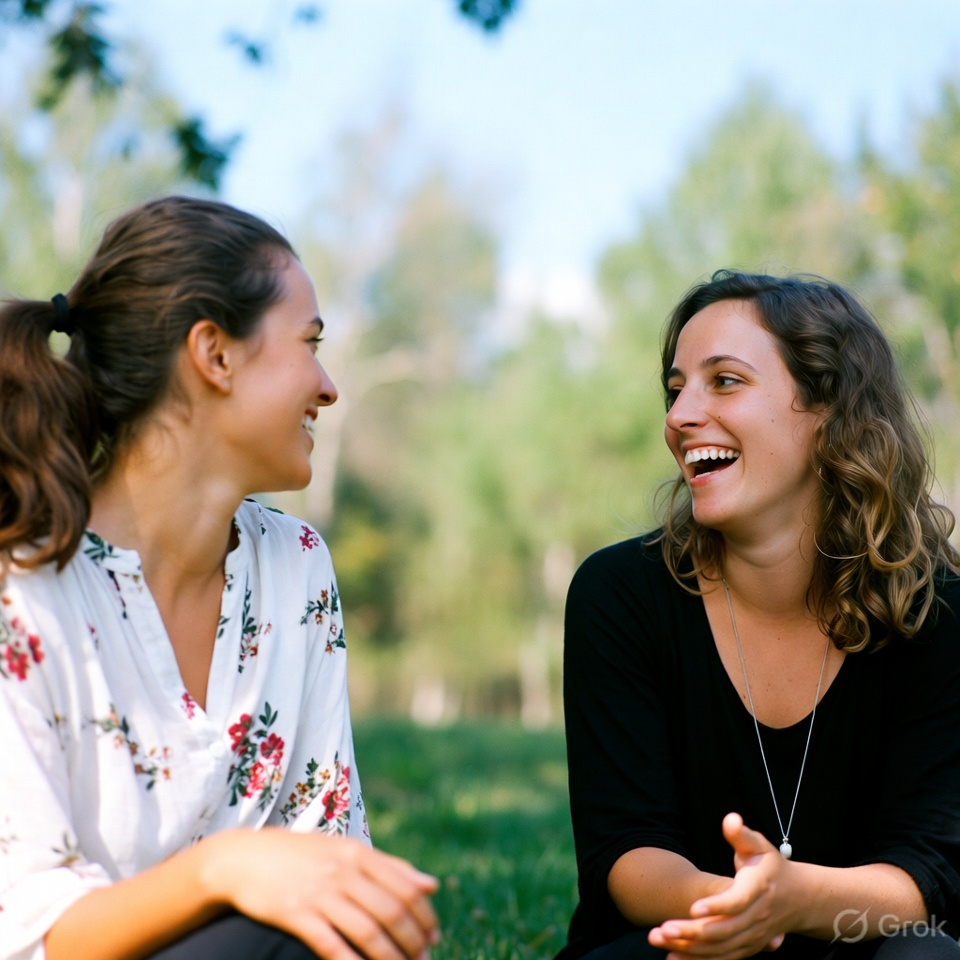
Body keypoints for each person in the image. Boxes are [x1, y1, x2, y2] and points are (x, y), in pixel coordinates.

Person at [0, 196, 439, 960]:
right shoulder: (23, 582)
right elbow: (32, 932)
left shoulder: (294, 566)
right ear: (215, 354)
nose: (328, 385)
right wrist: (224, 869)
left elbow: (329, 850)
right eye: (309, 343)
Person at [559, 271, 960, 960]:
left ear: (829, 409)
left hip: (866, 942)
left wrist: (795, 897)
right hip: (686, 942)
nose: (681, 416)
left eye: (725, 381)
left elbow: (929, 873)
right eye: (676, 387)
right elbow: (627, 855)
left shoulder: (939, 611)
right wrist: (739, 910)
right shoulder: (618, 594)